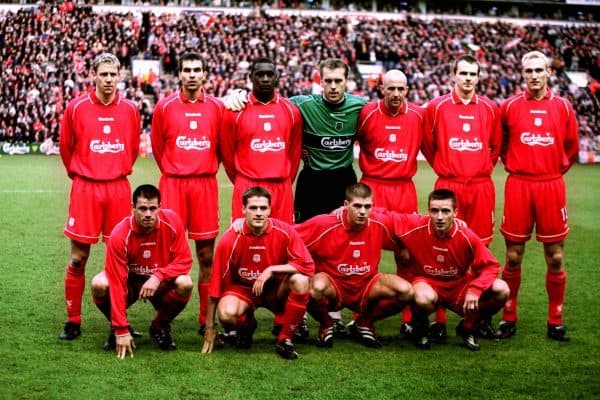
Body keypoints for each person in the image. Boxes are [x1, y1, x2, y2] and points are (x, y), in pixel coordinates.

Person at [496, 51, 579, 342]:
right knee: (513, 256)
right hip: (519, 185)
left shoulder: (564, 107)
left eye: (539, 70)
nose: (534, 75)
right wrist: (521, 167)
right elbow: (501, 145)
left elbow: (571, 148)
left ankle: (555, 320)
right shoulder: (508, 107)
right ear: (522, 74)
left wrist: (551, 171)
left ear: (548, 73)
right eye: (528, 70)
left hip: (550, 185)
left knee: (555, 256)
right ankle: (508, 317)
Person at [58, 52, 140, 340]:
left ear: (120, 76)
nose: (108, 79)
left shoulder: (130, 109)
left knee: (121, 260)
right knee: (78, 258)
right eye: (103, 74)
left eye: (112, 74)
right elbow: (66, 147)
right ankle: (73, 320)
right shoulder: (76, 107)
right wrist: (82, 174)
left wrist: (115, 170)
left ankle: (117, 320)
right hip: (86, 188)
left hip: (118, 188)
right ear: (93, 75)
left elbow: (131, 148)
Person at [421, 54, 502, 339]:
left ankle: (476, 316)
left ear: (478, 77)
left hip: (481, 186)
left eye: (473, 74)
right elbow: (428, 146)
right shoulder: (436, 107)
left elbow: (495, 147)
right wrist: (446, 169)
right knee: (444, 248)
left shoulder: (491, 109)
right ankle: (439, 320)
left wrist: (479, 169)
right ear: (453, 75)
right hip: (449, 184)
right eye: (463, 73)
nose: (468, 79)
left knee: (479, 250)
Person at [150, 51, 224, 335]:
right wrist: (174, 170)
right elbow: (158, 148)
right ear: (179, 74)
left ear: (204, 74)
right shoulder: (165, 107)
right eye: (187, 70)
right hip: (173, 185)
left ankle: (206, 320)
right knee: (169, 257)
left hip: (205, 185)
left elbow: (223, 147)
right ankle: (164, 319)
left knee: (206, 256)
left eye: (197, 69)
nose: (192, 74)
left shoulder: (217, 107)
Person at [387, 189, 509, 351]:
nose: (439, 217)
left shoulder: (466, 235)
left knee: (501, 289)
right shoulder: (415, 225)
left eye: (445, 211)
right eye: (434, 210)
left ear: (455, 213)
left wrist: (476, 289)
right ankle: (421, 328)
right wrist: (346, 209)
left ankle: (467, 326)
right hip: (426, 283)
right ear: (428, 211)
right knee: (422, 297)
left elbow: (491, 265)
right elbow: (385, 216)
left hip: (457, 286)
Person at [294, 183, 414, 348]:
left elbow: (411, 225)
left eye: (367, 206)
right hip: (335, 285)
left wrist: (404, 247)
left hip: (367, 284)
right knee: (314, 288)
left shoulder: (379, 223)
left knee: (406, 291)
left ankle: (364, 323)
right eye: (357, 206)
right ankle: (326, 324)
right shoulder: (324, 224)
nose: (362, 211)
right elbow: (289, 237)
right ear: (345, 205)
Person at [201, 186, 314, 359]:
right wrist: (209, 327)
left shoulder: (284, 231)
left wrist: (271, 269)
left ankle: (285, 339)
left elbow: (308, 266)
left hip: (275, 290)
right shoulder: (230, 239)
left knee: (300, 281)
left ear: (270, 210)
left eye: (263, 208)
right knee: (226, 313)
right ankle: (247, 327)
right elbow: (215, 286)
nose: (259, 213)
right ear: (243, 210)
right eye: (253, 208)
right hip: (243, 290)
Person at [355, 68, 425, 338]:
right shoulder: (367, 114)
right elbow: (350, 139)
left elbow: (430, 147)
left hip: (404, 189)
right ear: (381, 89)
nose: (396, 93)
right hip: (373, 187)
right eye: (391, 88)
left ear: (407, 90)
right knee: (365, 252)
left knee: (407, 253)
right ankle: (363, 313)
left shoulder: (419, 115)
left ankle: (408, 317)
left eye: (401, 88)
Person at [90, 184, 194, 359]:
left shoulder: (172, 221)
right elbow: (116, 281)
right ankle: (117, 327)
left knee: (185, 283)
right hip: (129, 284)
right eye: (142, 208)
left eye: (153, 208)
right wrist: (121, 328)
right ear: (133, 208)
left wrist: (158, 276)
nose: (148, 214)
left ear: (159, 207)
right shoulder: (120, 234)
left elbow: (185, 260)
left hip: (159, 284)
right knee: (99, 284)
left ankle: (159, 327)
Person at [219, 57, 302, 224]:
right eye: (260, 74)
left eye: (269, 74)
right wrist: (243, 180)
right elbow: (227, 154)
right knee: (245, 243)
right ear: (250, 76)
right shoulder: (235, 110)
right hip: (247, 186)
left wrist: (284, 181)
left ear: (276, 76)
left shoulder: (291, 111)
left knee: (282, 242)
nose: (265, 79)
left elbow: (294, 154)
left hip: (281, 188)